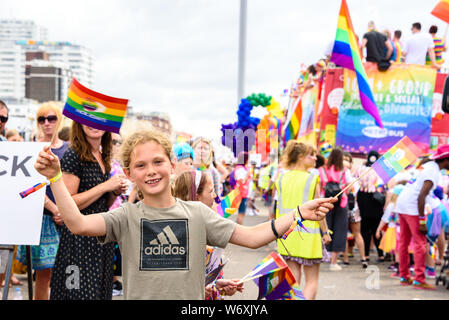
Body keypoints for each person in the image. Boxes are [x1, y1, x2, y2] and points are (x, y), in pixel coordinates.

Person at [33, 129, 336, 300]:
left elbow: (254, 237)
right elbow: (77, 223)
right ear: (129, 173)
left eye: (158, 162)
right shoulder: (125, 216)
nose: (151, 171)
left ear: (173, 165)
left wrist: (298, 213)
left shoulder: (198, 213)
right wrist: (56, 178)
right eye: (141, 166)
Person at [49, 122, 128, 300]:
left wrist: (114, 192)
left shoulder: (102, 155)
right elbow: (68, 204)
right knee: (77, 294)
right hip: (78, 242)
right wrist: (105, 186)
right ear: (79, 124)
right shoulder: (73, 154)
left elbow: (102, 204)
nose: (94, 125)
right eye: (89, 120)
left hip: (100, 239)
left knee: (99, 293)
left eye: (99, 120)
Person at [16, 103, 68, 300]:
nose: (47, 123)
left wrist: (65, 211)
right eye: (42, 119)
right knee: (43, 275)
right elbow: (29, 184)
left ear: (59, 120)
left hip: (66, 219)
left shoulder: (68, 149)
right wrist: (55, 209)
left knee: (65, 274)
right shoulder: (31, 148)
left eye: (52, 118)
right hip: (42, 218)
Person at [173, 170, 244, 299]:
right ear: (197, 197)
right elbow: (170, 283)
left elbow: (208, 281)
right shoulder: (178, 236)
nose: (215, 195)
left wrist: (220, 287)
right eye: (211, 191)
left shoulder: (208, 226)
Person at [274, 141, 331, 300]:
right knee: (312, 282)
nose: (315, 158)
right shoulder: (312, 179)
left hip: (287, 234)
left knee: (294, 282)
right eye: (311, 155)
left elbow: (277, 206)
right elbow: (319, 211)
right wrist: (325, 232)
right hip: (309, 236)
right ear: (300, 157)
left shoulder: (281, 177)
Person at [395, 145, 449, 290]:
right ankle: (419, 279)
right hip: (413, 206)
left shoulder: (428, 165)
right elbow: (421, 197)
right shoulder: (433, 172)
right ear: (446, 160)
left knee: (404, 243)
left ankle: (404, 276)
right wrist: (422, 221)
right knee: (420, 244)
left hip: (402, 204)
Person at [319, 147, 349, 271]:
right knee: (339, 231)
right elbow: (348, 186)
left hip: (325, 202)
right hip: (341, 203)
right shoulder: (344, 170)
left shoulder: (322, 170)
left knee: (325, 228)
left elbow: (320, 185)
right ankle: (333, 262)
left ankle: (321, 255)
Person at [356, 150, 385, 264]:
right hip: (376, 200)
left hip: (363, 199)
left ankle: (366, 254)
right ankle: (381, 254)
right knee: (376, 229)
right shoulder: (381, 171)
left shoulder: (360, 169)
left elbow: (356, 183)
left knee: (365, 230)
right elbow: (384, 186)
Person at [342, 152, 368, 268]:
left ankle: (346, 258)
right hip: (354, 208)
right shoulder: (355, 180)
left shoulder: (341, 178)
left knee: (345, 234)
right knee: (357, 233)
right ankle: (363, 258)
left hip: (344, 207)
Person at [233, 152, 252, 225]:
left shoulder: (242, 168)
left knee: (241, 213)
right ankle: (239, 230)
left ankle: (237, 228)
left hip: (243, 193)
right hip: (242, 194)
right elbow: (242, 181)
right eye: (248, 159)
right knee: (241, 213)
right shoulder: (240, 169)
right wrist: (248, 175)